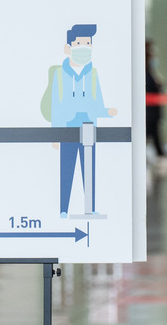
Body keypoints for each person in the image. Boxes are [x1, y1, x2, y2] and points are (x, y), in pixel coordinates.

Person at [49, 24, 117, 218]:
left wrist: (107, 112)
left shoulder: (92, 74)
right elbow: (56, 106)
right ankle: (63, 209)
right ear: (68, 48)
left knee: (89, 171)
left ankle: (91, 208)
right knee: (66, 170)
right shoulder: (60, 75)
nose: (84, 48)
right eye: (80, 44)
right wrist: (55, 133)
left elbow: (97, 103)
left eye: (88, 44)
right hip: (67, 130)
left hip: (89, 129)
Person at [146, 41, 165, 158]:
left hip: (154, 109)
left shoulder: (151, 72)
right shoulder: (143, 72)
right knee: (149, 131)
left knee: (154, 131)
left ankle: (160, 153)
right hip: (148, 110)